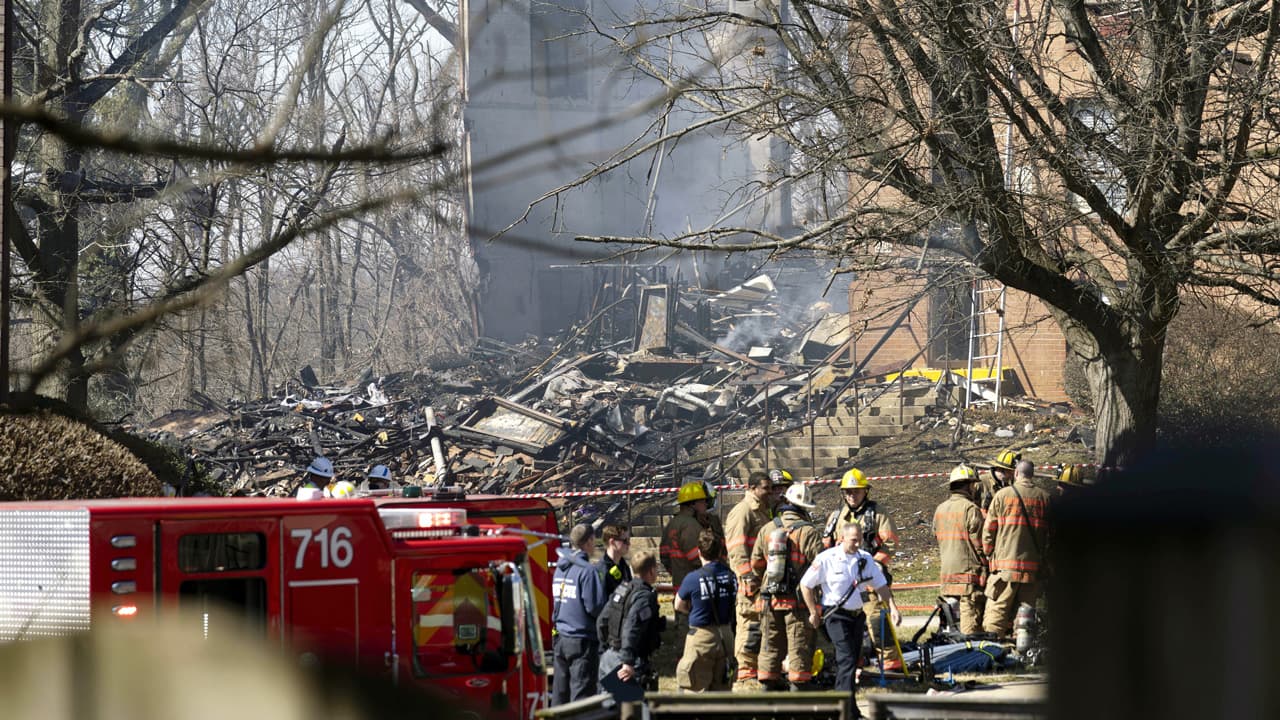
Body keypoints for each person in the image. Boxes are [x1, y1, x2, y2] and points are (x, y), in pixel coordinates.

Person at [800, 522, 900, 710]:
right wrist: (813, 611)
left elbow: (881, 586)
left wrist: (893, 608)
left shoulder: (865, 558)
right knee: (846, 659)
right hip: (836, 616)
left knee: (852, 660)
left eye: (860, 540)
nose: (857, 544)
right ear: (842, 538)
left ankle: (846, 707)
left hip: (857, 617)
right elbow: (805, 585)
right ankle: (847, 710)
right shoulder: (826, 559)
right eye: (854, 540)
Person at [821, 467, 900, 667]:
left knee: (876, 621)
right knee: (847, 624)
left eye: (856, 491)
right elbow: (827, 545)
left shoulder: (878, 513)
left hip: (869, 582)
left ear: (866, 491)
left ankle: (890, 663)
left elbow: (890, 543)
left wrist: (873, 566)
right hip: (844, 583)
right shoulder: (837, 516)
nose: (852, 495)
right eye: (847, 491)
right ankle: (855, 662)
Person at [750, 482, 824, 691]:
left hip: (770, 600)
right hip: (797, 604)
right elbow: (821, 565)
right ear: (804, 508)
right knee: (799, 648)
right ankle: (797, 696)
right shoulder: (808, 532)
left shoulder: (767, 528)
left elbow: (756, 565)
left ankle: (767, 696)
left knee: (770, 647)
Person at [981, 460, 1051, 636]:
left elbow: (989, 529)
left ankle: (991, 649)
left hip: (1005, 569)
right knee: (1025, 616)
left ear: (1016, 474)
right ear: (1032, 475)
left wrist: (989, 553)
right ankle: (1022, 652)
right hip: (1032, 571)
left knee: (996, 614)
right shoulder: (1045, 498)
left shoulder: (1003, 495)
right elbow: (1052, 535)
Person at [724, 471, 776, 688]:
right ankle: (745, 672)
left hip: (763, 580)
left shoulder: (764, 512)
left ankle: (756, 669)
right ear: (752, 488)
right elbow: (736, 548)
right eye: (765, 488)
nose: (770, 492)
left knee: (762, 625)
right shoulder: (743, 512)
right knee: (749, 625)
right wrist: (747, 576)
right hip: (750, 582)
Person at [674, 529, 737, 692]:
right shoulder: (731, 576)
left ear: (699, 552)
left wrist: (691, 610)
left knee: (695, 689)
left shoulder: (693, 578)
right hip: (726, 636)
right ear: (720, 551)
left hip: (701, 637)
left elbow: (678, 605)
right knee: (722, 689)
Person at [552, 523, 607, 705]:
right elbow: (595, 607)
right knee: (581, 698)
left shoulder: (560, 568)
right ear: (589, 541)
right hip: (582, 641)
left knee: (560, 695)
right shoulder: (587, 571)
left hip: (561, 638)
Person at [597, 551, 663, 698]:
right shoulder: (645, 597)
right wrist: (627, 662)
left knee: (608, 709)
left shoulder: (622, 588)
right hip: (627, 663)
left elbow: (602, 621)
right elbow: (632, 627)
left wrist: (605, 650)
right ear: (652, 570)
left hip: (609, 658)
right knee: (633, 711)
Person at [933, 464, 988, 635]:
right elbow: (979, 544)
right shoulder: (971, 509)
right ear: (969, 485)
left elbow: (937, 536)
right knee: (968, 613)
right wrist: (986, 565)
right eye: (973, 485)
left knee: (950, 613)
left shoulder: (940, 509)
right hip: (967, 573)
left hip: (947, 572)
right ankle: (968, 650)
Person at [661, 480, 724, 589]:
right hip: (697, 587)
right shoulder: (691, 525)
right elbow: (701, 559)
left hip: (681, 585)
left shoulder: (673, 523)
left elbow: (664, 557)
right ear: (693, 504)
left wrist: (678, 573)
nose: (706, 505)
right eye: (704, 501)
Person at [596, 524, 633, 597]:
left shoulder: (624, 566)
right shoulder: (602, 570)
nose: (629, 544)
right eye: (625, 540)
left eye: (629, 540)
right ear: (612, 542)